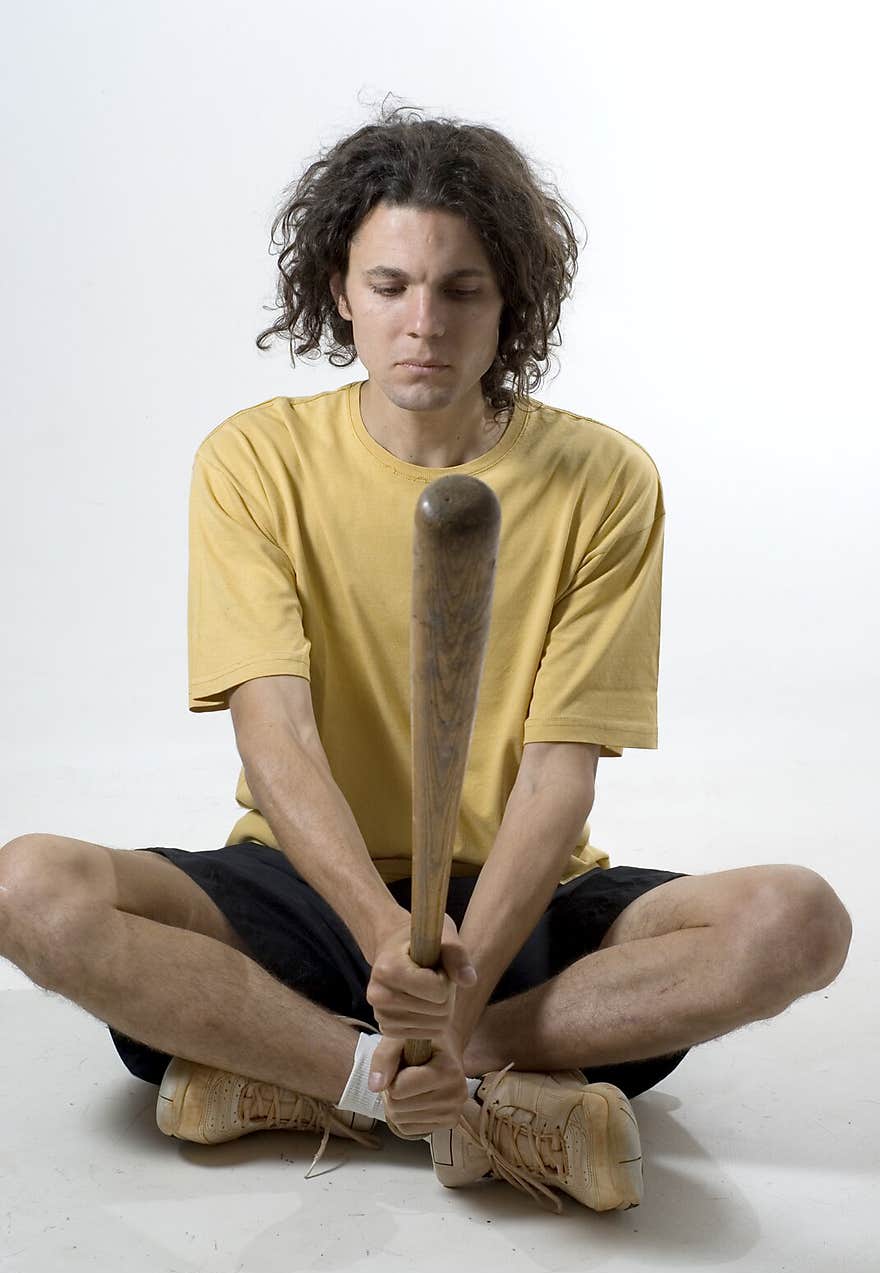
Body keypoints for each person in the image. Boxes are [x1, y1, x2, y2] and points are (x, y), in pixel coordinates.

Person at [0, 102, 852, 1216]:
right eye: (391, 284)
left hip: (519, 898)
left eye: (461, 289)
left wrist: (454, 998)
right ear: (339, 289)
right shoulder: (254, 460)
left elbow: (559, 772)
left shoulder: (603, 481)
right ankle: (456, 1096)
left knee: (798, 921)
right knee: (30, 886)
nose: (423, 323)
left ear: (511, 304)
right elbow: (275, 728)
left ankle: (321, 1072)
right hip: (305, 888)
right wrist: (379, 940)